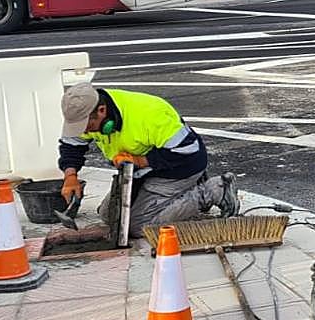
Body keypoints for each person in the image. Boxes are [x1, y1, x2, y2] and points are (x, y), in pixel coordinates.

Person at [58, 83, 238, 239]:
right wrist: (70, 176)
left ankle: (213, 191)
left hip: (179, 168)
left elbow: (188, 151)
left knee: (138, 226)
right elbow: (71, 145)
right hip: (139, 172)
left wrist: (139, 160)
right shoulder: (85, 113)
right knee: (109, 217)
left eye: (87, 126)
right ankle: (185, 191)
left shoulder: (149, 114)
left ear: (102, 111)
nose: (85, 131)